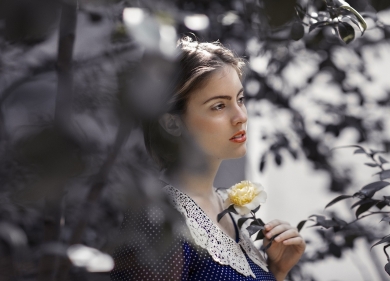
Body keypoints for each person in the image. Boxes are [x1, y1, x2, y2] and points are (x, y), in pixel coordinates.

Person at [110, 37, 306, 281]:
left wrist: (277, 272)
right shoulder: (158, 217)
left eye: (240, 99)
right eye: (219, 106)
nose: (240, 116)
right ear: (172, 122)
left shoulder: (227, 206)